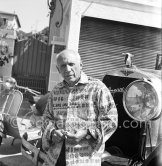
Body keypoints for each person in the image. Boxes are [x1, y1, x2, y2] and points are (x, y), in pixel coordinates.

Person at [41, 49, 118, 166]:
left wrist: (87, 133)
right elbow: (47, 118)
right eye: (63, 66)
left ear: (81, 65)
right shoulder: (56, 90)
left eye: (71, 64)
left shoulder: (97, 88)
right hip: (55, 158)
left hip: (84, 160)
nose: (67, 69)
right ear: (58, 70)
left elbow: (111, 120)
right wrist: (52, 133)